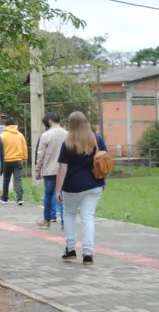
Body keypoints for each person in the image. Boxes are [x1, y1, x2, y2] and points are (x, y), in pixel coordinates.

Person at [56, 111, 108, 265]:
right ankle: (88, 253)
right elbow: (105, 161)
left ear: (70, 125)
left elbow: (62, 169)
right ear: (86, 122)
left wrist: (58, 190)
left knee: (70, 215)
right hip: (93, 185)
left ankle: (70, 249)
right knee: (88, 218)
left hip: (71, 187)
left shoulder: (67, 144)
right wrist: (104, 180)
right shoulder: (97, 140)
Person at [34, 112, 68, 228]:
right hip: (65, 170)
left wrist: (37, 171)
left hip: (49, 169)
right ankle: (65, 222)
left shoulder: (46, 135)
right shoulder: (68, 134)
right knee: (64, 195)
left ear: (50, 121)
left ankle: (46, 220)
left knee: (48, 194)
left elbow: (40, 155)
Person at [0, 118, 28, 205]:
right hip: (18, 160)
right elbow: (24, 148)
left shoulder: (2, 135)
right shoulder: (20, 135)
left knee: (6, 179)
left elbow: (0, 149)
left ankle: (4, 197)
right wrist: (24, 157)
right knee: (18, 179)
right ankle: (19, 198)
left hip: (6, 161)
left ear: (6, 126)